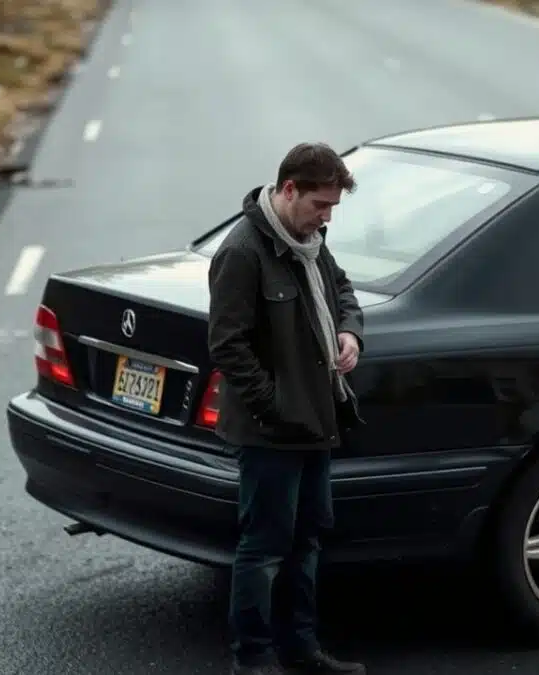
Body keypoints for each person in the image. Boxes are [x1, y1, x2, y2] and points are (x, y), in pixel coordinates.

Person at [207, 142, 367, 675]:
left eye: (332, 210)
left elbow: (341, 290)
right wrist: (275, 408)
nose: (325, 219)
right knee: (265, 547)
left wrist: (348, 332)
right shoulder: (243, 252)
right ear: (288, 189)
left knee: (307, 541)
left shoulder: (309, 241)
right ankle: (252, 659)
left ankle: (302, 650)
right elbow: (227, 346)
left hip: (317, 421)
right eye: (320, 205)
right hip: (271, 429)